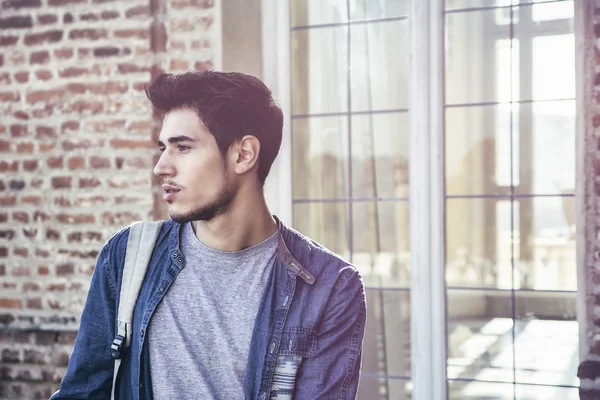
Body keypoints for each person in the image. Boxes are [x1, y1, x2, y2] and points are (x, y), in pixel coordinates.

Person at [50, 70, 367, 399]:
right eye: (163, 148)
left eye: (182, 147)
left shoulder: (330, 287)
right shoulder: (129, 255)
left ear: (243, 155)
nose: (161, 166)